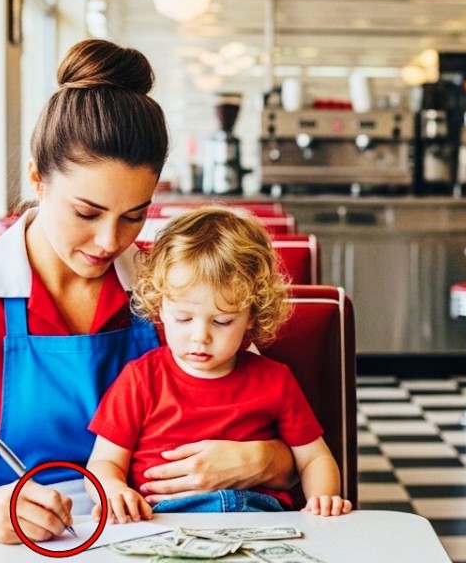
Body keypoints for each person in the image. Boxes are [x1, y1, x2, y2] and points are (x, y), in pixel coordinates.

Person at [0, 40, 295, 544]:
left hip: (167, 538)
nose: (111, 241)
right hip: (22, 547)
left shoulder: (174, 282)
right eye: (86, 213)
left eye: (135, 215)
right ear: (37, 179)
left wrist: (268, 461)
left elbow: (283, 435)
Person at [86, 207, 352, 520]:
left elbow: (314, 459)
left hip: (257, 514)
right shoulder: (141, 379)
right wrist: (112, 490)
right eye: (183, 318)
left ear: (251, 317)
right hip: (165, 518)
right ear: (160, 307)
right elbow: (103, 464)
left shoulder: (275, 380)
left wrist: (324, 498)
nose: (201, 337)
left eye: (223, 321)